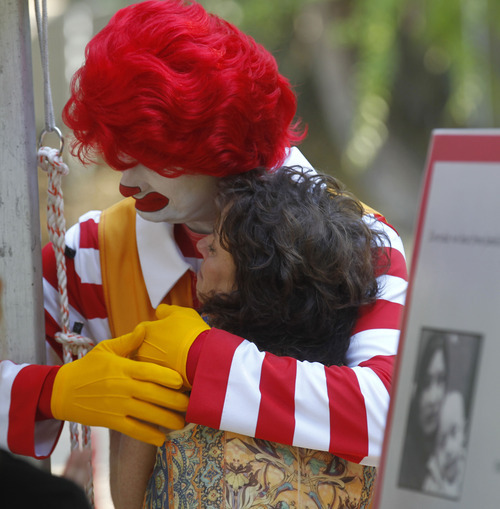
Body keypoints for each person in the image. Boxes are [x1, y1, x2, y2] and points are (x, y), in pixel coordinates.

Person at [0, 0, 407, 473]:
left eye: (150, 155)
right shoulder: (95, 254)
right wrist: (53, 393)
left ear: (218, 140)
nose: (127, 184)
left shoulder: (365, 245)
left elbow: (397, 420)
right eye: (119, 155)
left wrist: (200, 359)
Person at [114, 166, 392, 508]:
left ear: (252, 287)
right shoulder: (351, 428)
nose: (200, 243)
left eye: (215, 248)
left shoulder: (173, 370)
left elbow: (125, 499)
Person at [398, 332, 449, 491]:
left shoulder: (447, 450)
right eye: (426, 383)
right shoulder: (401, 454)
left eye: (441, 380)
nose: (434, 399)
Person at [423, 390, 467, 499]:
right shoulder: (430, 487)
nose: (448, 449)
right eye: (441, 442)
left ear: (465, 431)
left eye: (454, 432)